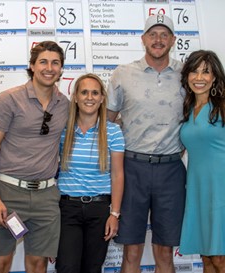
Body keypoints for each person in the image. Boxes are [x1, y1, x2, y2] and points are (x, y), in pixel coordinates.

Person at [0, 41, 69, 273]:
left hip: (47, 197)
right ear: (32, 66)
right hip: (9, 193)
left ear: (61, 69)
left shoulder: (65, 105)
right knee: (0, 262)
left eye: (55, 63)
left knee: (38, 264)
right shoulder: (9, 99)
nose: (49, 68)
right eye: (43, 62)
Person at [107, 14, 186, 273]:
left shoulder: (187, 74)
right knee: (132, 249)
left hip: (171, 169)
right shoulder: (123, 74)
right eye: (153, 34)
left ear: (173, 40)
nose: (158, 40)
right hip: (133, 168)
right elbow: (107, 121)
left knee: (165, 252)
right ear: (143, 39)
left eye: (164, 34)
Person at [55, 73, 125, 273]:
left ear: (102, 98)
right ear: (75, 97)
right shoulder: (63, 130)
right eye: (84, 92)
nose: (89, 97)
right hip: (67, 209)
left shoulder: (113, 132)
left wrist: (115, 214)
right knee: (67, 267)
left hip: (100, 210)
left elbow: (118, 175)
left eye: (95, 93)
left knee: (92, 268)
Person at [179, 50, 225, 273]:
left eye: (206, 72)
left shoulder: (223, 106)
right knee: (206, 257)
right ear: (187, 76)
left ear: (215, 77)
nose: (199, 77)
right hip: (198, 189)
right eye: (194, 71)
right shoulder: (187, 109)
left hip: (221, 189)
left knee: (220, 258)